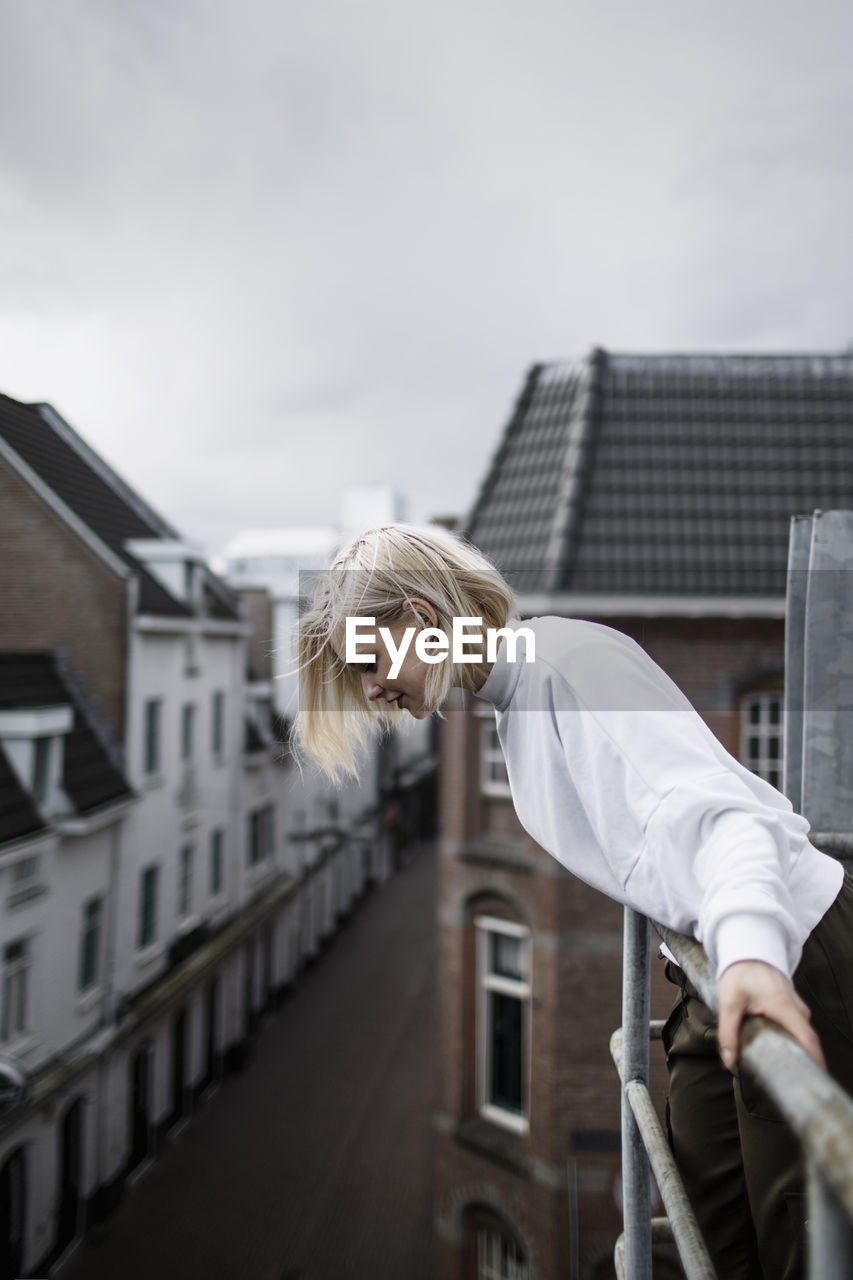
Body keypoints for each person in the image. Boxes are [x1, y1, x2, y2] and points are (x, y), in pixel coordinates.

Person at [293, 521, 853, 1280]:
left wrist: (753, 956)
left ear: (421, 620)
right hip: (707, 966)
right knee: (708, 1234)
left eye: (366, 662)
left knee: (800, 1246)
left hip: (788, 952)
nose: (371, 691)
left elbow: (725, 822)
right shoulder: (519, 688)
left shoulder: (567, 669)